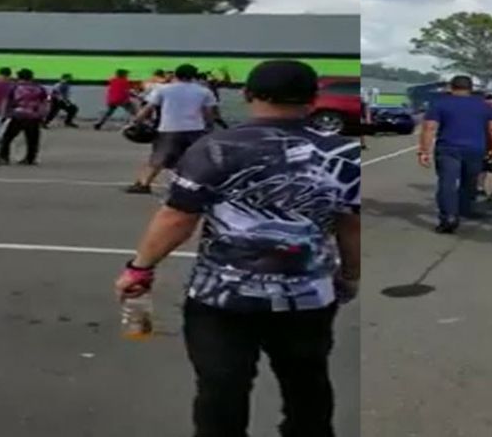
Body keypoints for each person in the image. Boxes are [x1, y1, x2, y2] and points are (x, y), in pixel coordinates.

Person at [114, 59, 360, 437]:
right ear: (313, 99)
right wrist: (349, 276)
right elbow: (350, 223)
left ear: (248, 95)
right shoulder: (345, 152)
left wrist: (140, 269)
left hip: (222, 298)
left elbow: (177, 219)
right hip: (309, 296)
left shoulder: (214, 148)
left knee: (222, 388)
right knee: (307, 385)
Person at [417, 76, 492, 234]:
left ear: (451, 87)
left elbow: (429, 128)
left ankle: (449, 217)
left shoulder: (440, 104)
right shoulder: (483, 106)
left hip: (448, 148)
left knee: (447, 183)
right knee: (469, 181)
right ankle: (465, 208)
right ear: (471, 88)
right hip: (475, 148)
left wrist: (424, 150)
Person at [124, 64, 219, 194]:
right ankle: (196, 185)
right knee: (195, 158)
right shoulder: (204, 91)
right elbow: (209, 113)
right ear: (193, 76)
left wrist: (136, 121)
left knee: (158, 158)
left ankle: (144, 184)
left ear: (176, 75)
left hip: (169, 128)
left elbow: (148, 108)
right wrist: (209, 126)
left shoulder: (164, 89)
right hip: (195, 129)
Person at [0, 69, 48, 166]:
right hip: (33, 116)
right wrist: (42, 115)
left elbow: (8, 101)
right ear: (31, 77)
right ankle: (30, 159)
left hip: (18, 115)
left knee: (7, 137)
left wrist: (5, 114)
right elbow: (45, 102)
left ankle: (3, 157)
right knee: (32, 139)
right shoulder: (40, 88)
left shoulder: (14, 87)